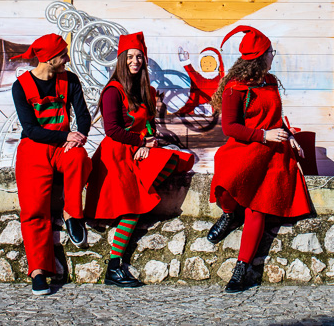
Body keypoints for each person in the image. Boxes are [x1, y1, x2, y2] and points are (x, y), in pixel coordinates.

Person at [206, 25, 313, 293]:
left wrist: (289, 137)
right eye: (270, 52)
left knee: (257, 207)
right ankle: (230, 214)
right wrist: (263, 135)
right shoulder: (235, 88)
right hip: (246, 146)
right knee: (228, 177)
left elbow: (276, 121)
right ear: (261, 56)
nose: (273, 57)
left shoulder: (271, 82)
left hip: (274, 154)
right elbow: (230, 127)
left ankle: (241, 269)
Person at [84, 32, 195, 288]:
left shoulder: (146, 90)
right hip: (115, 156)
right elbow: (111, 129)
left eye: (139, 57)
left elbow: (149, 126)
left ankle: (115, 268)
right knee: (132, 210)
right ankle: (113, 269)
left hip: (136, 152)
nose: (135, 61)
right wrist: (140, 143)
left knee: (172, 159)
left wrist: (148, 140)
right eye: (130, 57)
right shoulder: (112, 92)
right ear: (121, 59)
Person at [9, 33, 92, 296]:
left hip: (63, 148)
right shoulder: (20, 86)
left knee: (80, 159)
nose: (67, 59)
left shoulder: (70, 80)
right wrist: (64, 135)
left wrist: (76, 139)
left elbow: (83, 117)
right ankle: (38, 271)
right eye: (63, 55)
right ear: (49, 59)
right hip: (34, 149)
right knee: (34, 209)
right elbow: (31, 130)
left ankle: (72, 214)